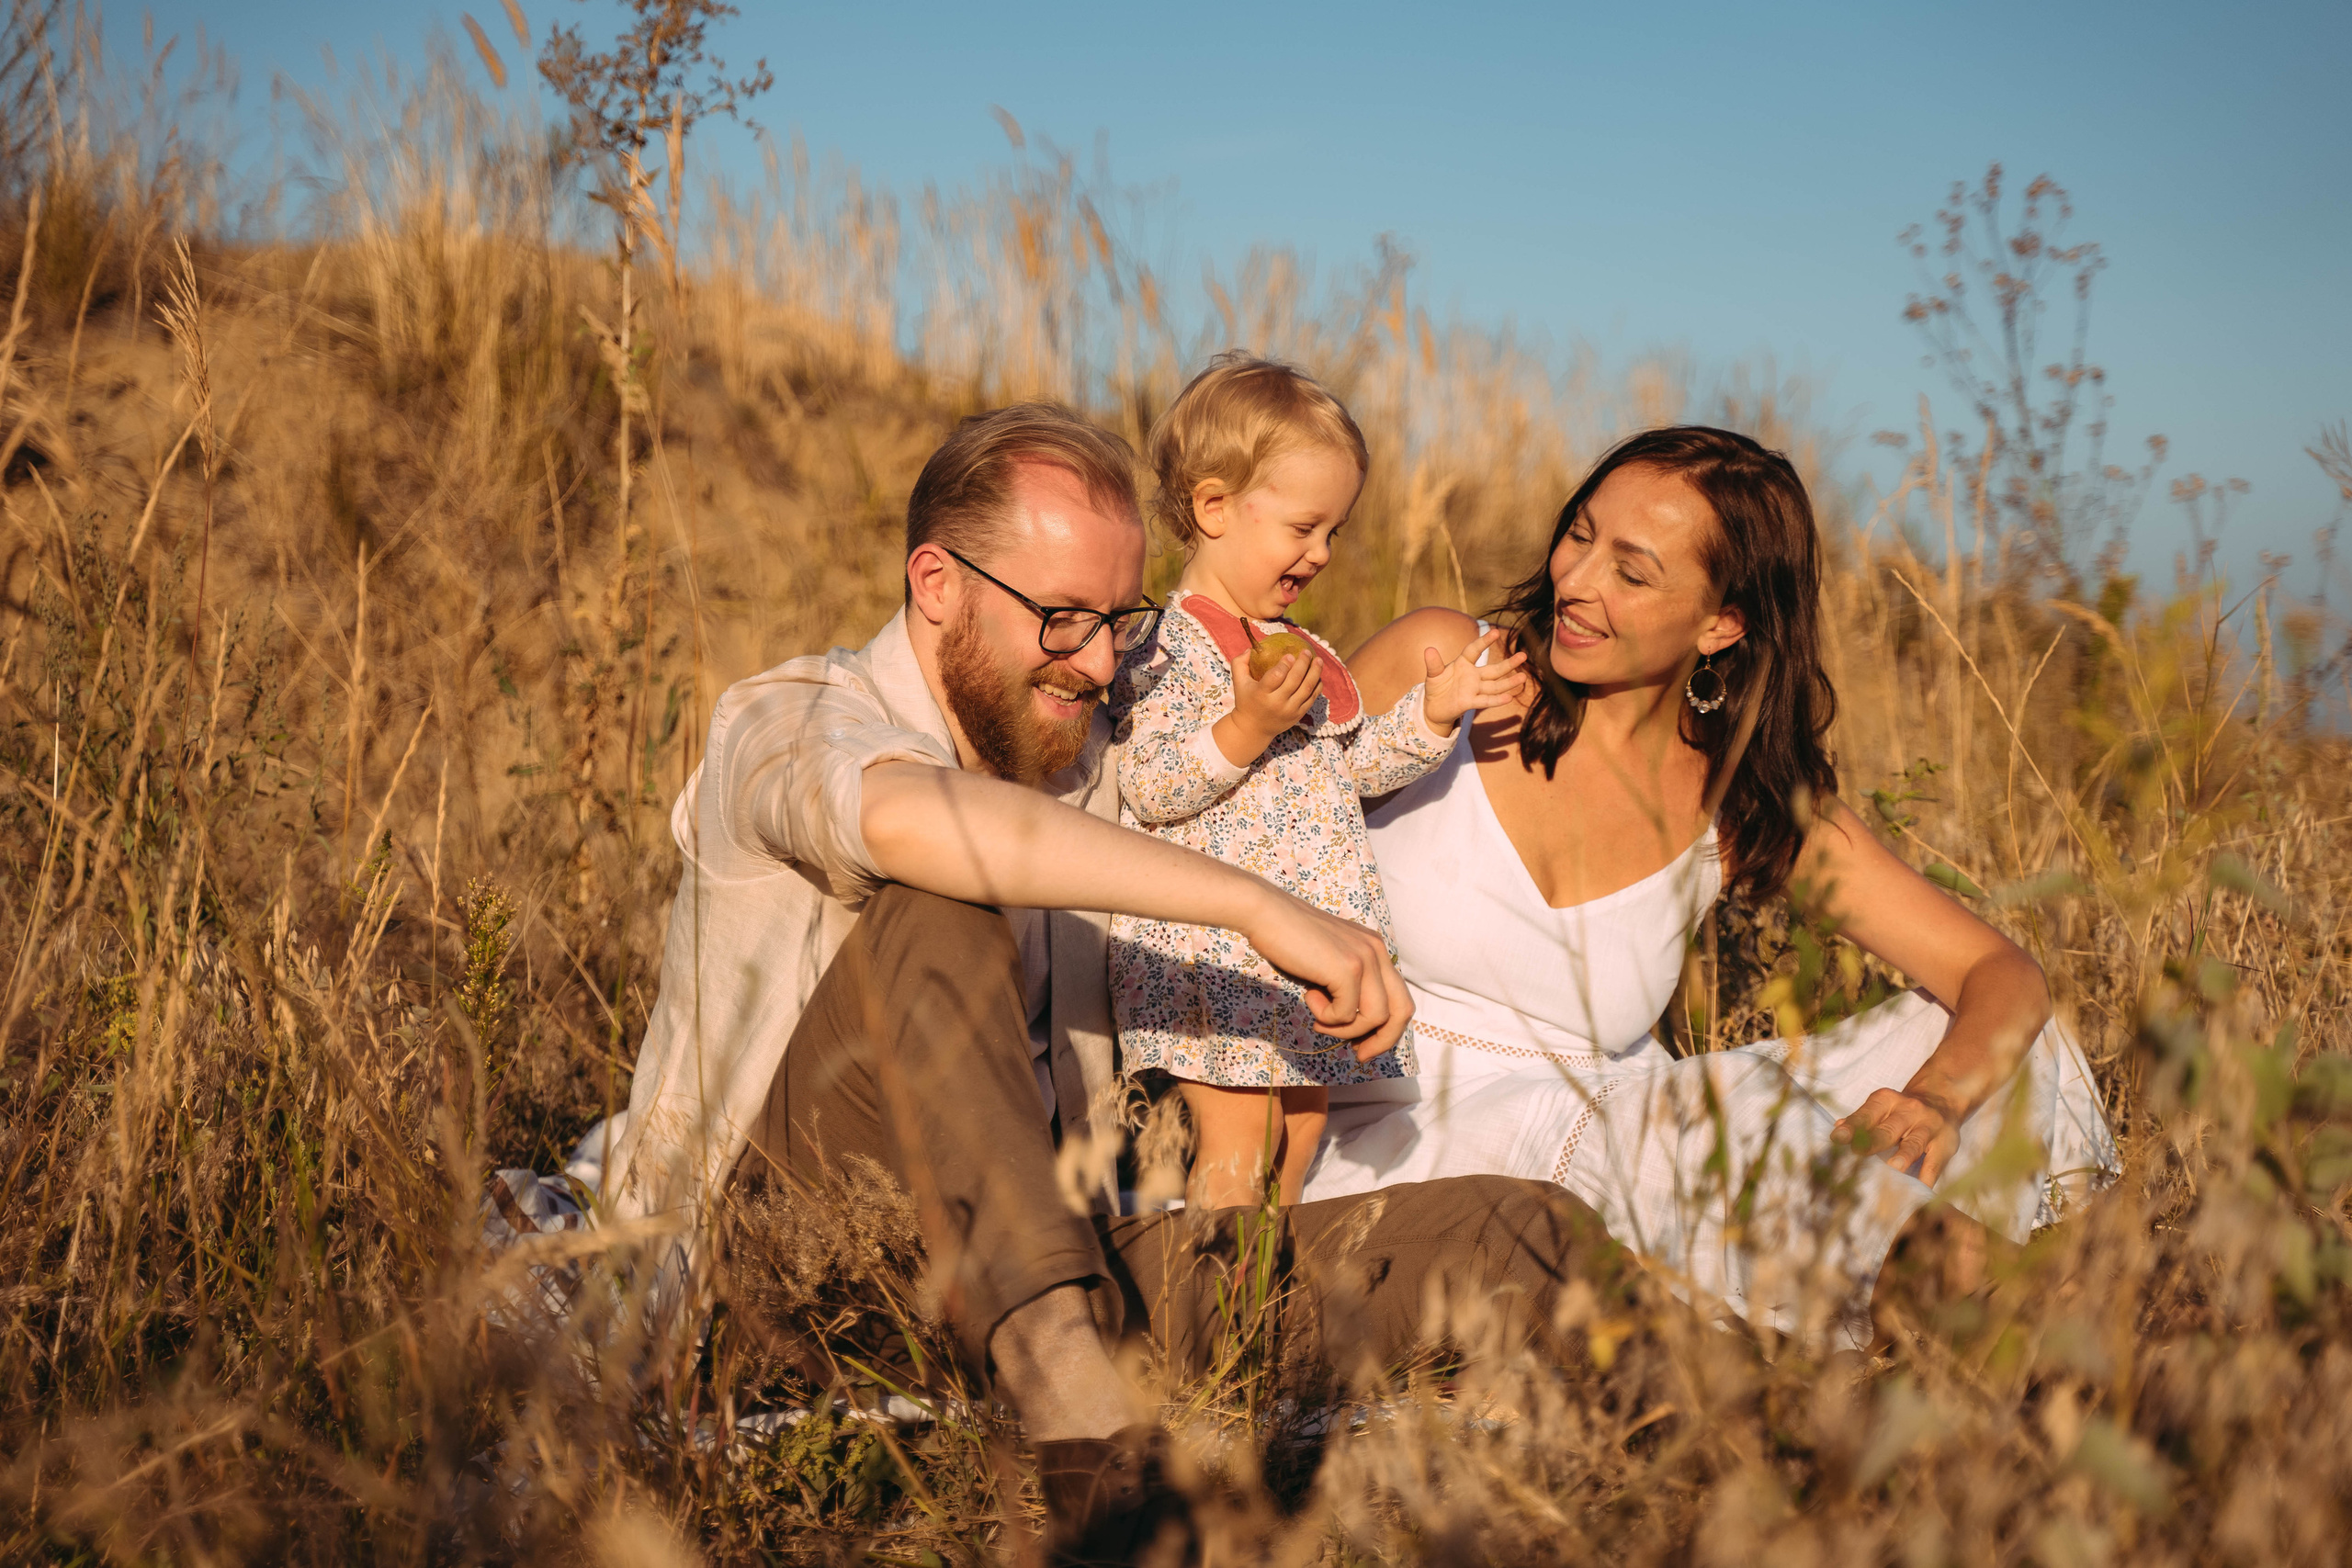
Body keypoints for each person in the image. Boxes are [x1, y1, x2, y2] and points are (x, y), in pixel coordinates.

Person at [586, 402, 1621, 1564]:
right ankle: (1090, 1438)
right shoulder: (787, 718)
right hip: (787, 1266)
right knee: (934, 905)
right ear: (937, 583)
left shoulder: (1095, 740)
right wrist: (1260, 910)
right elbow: (918, 821)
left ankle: (1776, 1407)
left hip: (1065, 1255)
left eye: (1120, 619)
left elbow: (1281, 769)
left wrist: (1441, 706)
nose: (1096, 658)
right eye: (1061, 619)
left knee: (1511, 1229)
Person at [1300, 425, 2120, 1347]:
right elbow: (1247, 831)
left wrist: (1930, 1100)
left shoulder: (1733, 797)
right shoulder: (1446, 667)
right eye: (1579, 536)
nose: (1576, 582)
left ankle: (1958, 1290)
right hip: (1399, 1139)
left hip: (1630, 1124)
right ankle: (2024, 1318)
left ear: (1720, 623)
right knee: (1647, 1124)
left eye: (1632, 571)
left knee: (1998, 1043)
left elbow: (1998, 973)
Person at [1110, 355, 1526, 1209]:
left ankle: (1257, 1302)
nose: (1322, 552)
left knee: (1301, 1131)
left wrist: (1435, 712)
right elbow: (1151, 785)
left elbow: (1351, 769)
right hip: (1213, 953)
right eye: (1304, 526)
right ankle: (1206, 1311)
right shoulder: (1175, 646)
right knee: (1240, 1138)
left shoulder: (1302, 647)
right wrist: (1244, 727)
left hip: (1294, 957)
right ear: (1214, 506)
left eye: (1334, 531)